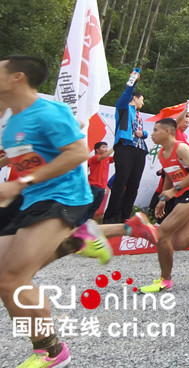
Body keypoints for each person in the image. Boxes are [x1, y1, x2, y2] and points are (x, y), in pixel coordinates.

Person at [0, 55, 95, 367]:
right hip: (32, 201)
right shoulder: (12, 119)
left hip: (63, 197)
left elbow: (78, 152)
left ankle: (52, 351)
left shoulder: (49, 111)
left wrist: (22, 181)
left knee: (12, 277)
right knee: (7, 277)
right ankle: (76, 240)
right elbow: (17, 154)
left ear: (18, 77)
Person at [139, 118, 189, 293]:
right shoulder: (162, 153)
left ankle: (165, 280)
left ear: (167, 131)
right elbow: (168, 176)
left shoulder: (181, 148)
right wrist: (162, 200)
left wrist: (175, 190)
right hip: (180, 196)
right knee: (181, 242)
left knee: (162, 233)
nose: (152, 134)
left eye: (156, 130)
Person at [104, 70, 148, 223]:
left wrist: (145, 134)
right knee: (120, 182)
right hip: (125, 147)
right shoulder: (123, 107)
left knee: (133, 184)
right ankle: (111, 217)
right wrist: (133, 80)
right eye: (142, 99)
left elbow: (144, 133)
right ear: (134, 98)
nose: (143, 102)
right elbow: (125, 94)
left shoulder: (138, 115)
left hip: (140, 150)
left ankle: (125, 216)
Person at [86, 141, 114, 220]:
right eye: (103, 147)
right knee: (88, 206)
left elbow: (115, 158)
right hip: (93, 186)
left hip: (102, 188)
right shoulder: (95, 158)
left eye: (106, 147)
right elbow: (104, 156)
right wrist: (114, 147)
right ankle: (80, 223)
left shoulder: (107, 159)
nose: (106, 149)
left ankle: (87, 222)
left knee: (95, 207)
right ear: (97, 150)